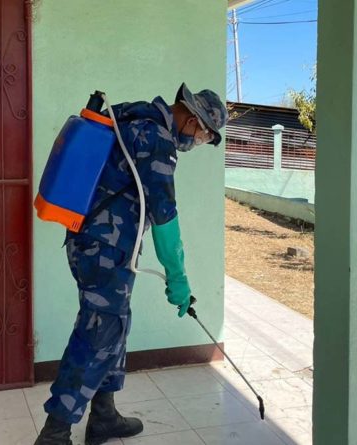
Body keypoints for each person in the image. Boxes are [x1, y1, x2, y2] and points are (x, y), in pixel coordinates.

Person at [34, 83, 228, 445]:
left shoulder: (135, 118)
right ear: (191, 121)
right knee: (98, 334)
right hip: (104, 250)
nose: (196, 144)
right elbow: (166, 220)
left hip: (101, 247)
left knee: (114, 325)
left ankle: (104, 415)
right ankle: (54, 432)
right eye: (202, 137)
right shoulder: (156, 140)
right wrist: (178, 279)